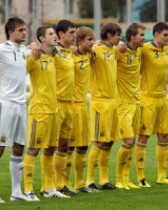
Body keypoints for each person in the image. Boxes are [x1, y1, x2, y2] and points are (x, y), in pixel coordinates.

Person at [0, 17, 32, 203]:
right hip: (4, 104)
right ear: (11, 32)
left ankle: (16, 192)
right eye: (21, 30)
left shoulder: (25, 50)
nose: (24, 33)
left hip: (21, 105)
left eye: (24, 29)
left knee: (19, 147)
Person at [23, 25, 70, 200]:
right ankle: (28, 190)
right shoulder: (33, 57)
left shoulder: (54, 56)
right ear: (42, 39)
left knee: (51, 149)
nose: (55, 36)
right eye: (50, 34)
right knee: (33, 150)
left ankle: (49, 189)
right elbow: (17, 73)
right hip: (39, 111)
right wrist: (29, 45)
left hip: (54, 110)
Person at [135, 22, 168, 187]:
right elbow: (128, 50)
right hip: (147, 98)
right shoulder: (144, 49)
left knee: (164, 136)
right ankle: (140, 177)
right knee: (144, 137)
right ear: (156, 35)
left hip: (163, 99)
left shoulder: (167, 49)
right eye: (165, 35)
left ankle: (162, 176)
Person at [85, 22, 121, 190]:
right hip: (100, 103)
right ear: (108, 35)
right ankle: (89, 180)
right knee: (99, 142)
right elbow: (79, 51)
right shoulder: (96, 51)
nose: (119, 37)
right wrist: (92, 46)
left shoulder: (113, 51)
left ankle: (104, 180)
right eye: (117, 34)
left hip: (113, 102)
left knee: (110, 142)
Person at [114, 23, 145, 190]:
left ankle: (126, 179)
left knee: (132, 143)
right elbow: (100, 47)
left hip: (136, 102)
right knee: (128, 140)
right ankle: (119, 179)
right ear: (132, 37)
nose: (143, 38)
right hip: (123, 104)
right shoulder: (119, 51)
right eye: (141, 35)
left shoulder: (139, 51)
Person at [67, 26, 97, 193]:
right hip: (71, 106)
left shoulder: (89, 54)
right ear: (80, 41)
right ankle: (63, 183)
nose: (92, 42)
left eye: (93, 39)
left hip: (83, 106)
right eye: (89, 40)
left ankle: (80, 184)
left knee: (83, 146)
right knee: (68, 147)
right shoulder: (70, 54)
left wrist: (94, 46)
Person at [54, 19, 77, 196]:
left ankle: (60, 184)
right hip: (56, 104)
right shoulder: (53, 51)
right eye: (71, 32)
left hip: (70, 104)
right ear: (61, 34)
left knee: (64, 145)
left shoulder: (71, 51)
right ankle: (49, 185)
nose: (74, 35)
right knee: (49, 147)